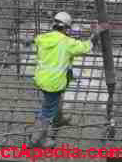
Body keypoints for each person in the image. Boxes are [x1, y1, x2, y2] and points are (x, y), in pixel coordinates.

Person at [26, 11, 105, 148]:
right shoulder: (67, 43)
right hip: (54, 83)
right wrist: (95, 34)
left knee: (54, 102)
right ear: (66, 28)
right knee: (46, 112)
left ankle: (59, 119)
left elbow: (40, 42)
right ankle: (37, 140)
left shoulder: (42, 38)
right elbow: (86, 47)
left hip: (42, 79)